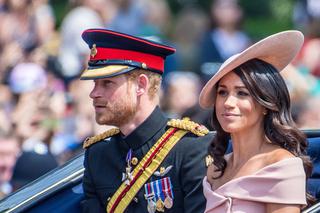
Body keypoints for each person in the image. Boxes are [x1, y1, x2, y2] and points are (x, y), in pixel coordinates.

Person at [79, 29, 213, 213]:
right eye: (95, 84)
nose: (94, 93)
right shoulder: (97, 154)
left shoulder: (190, 148)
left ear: (141, 85)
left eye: (107, 83)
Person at [198, 30, 314, 212]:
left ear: (266, 104)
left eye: (242, 93)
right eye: (222, 92)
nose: (228, 103)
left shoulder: (281, 164)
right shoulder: (215, 169)